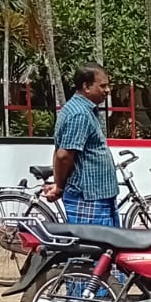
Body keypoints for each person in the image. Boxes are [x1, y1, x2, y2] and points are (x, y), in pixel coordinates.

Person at [44, 65, 120, 226]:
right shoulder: (80, 114)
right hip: (89, 197)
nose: (107, 90)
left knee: (106, 241)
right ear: (86, 86)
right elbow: (63, 155)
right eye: (103, 86)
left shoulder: (83, 110)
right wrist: (59, 187)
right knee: (94, 241)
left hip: (97, 195)